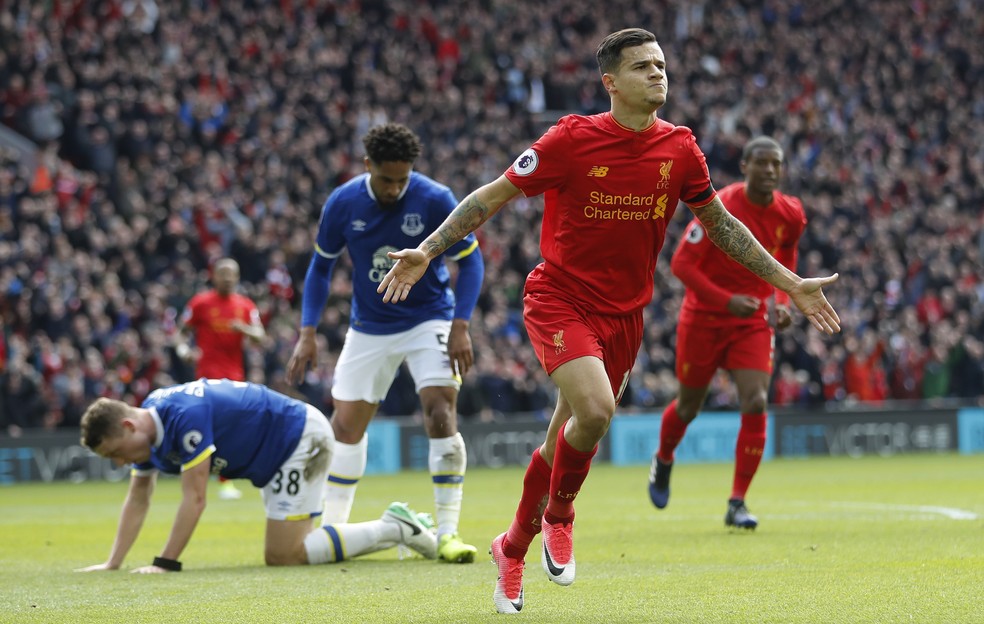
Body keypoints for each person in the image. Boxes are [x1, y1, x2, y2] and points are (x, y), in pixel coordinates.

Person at [378, 28, 840, 614]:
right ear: (611, 82)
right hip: (559, 298)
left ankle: (512, 549)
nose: (657, 74)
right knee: (596, 411)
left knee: (562, 439)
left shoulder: (681, 148)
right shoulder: (571, 138)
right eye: (643, 66)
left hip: (625, 316)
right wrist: (430, 249)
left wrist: (790, 282)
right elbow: (491, 196)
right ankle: (561, 514)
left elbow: (722, 226)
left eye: (661, 64)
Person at [285, 123, 485, 564]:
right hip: (369, 325)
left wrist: (460, 325)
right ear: (367, 166)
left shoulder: (435, 198)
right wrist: (307, 331)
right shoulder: (343, 202)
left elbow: (471, 262)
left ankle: (447, 534)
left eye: (402, 179)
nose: (395, 188)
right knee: (345, 428)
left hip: (429, 318)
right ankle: (335, 529)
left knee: (440, 410)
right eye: (386, 179)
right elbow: (320, 268)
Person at [75, 378, 437, 573]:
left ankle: (396, 527)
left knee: (286, 554)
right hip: (277, 453)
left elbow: (195, 499)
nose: (119, 463)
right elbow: (138, 497)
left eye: (115, 453)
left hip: (299, 439)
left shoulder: (184, 417)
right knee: (290, 550)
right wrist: (113, 563)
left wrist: (165, 564)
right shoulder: (153, 420)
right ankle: (397, 527)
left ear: (129, 426)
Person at [647, 136, 807, 530]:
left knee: (755, 401)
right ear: (745, 167)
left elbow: (786, 253)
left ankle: (737, 502)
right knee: (689, 406)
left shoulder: (791, 214)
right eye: (762, 163)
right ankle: (663, 458)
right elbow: (681, 264)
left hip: (751, 320)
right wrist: (726, 300)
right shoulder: (721, 206)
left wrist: (782, 301)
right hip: (703, 318)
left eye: (776, 163)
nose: (769, 170)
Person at [175, 257, 266, 501]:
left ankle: (226, 478)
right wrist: (184, 351)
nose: (227, 278)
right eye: (223, 274)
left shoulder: (245, 305)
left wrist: (243, 329)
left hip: (235, 377)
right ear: (214, 276)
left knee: (231, 428)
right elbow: (180, 334)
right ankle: (204, 477)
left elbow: (261, 336)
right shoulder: (200, 303)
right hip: (206, 377)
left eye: (231, 274)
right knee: (207, 426)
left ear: (237, 277)